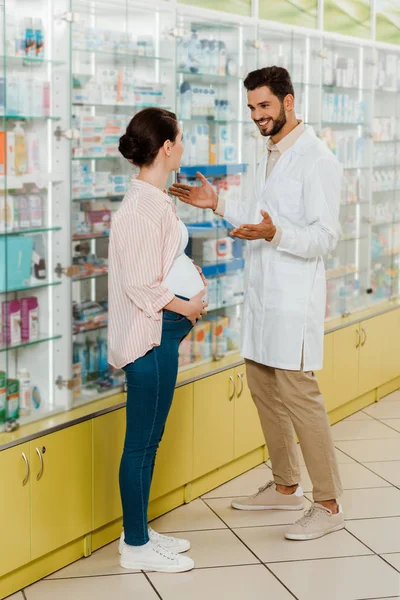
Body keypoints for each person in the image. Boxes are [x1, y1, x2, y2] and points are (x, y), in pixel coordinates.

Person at [169, 66, 344, 541]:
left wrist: (275, 233)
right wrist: (217, 203)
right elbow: (256, 214)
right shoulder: (262, 151)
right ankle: (285, 486)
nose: (257, 116)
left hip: (293, 298)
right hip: (263, 295)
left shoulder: (317, 160)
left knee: (300, 399)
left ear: (289, 102)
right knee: (264, 390)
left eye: (264, 106)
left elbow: (326, 237)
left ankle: (328, 504)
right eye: (251, 108)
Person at [108, 107, 207, 572]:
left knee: (151, 438)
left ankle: (141, 533)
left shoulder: (156, 199)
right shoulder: (140, 208)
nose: (183, 146)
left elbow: (161, 264)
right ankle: (135, 546)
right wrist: (185, 304)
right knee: (140, 444)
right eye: (180, 139)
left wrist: (190, 276)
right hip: (148, 341)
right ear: (165, 147)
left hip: (161, 337)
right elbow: (140, 283)